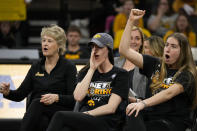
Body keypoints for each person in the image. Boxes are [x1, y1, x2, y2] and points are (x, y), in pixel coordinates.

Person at [119, 9, 197, 131]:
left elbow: (168, 94)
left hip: (171, 122)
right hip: (150, 117)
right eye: (166, 45)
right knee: (129, 113)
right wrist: (130, 21)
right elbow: (124, 51)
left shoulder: (187, 73)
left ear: (183, 52)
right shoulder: (155, 64)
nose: (167, 49)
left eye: (173, 46)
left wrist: (142, 103)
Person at [0, 24, 77, 131]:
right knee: (42, 121)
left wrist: (56, 97)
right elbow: (20, 94)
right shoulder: (36, 66)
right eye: (43, 40)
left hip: (59, 110)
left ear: (59, 45)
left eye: (49, 41)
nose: (45, 44)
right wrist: (7, 92)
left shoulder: (68, 67)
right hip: (38, 112)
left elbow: (73, 99)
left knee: (37, 102)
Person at [47, 33, 129, 131]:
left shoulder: (121, 74)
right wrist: (91, 69)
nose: (95, 50)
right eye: (93, 47)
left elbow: (111, 107)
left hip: (106, 122)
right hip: (84, 120)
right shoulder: (86, 72)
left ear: (108, 50)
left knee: (60, 116)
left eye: (99, 47)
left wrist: (86, 114)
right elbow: (78, 96)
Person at [114, 26, 147, 100]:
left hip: (137, 107)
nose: (133, 42)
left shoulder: (146, 64)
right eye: (130, 38)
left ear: (142, 42)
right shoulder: (114, 62)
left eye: (137, 38)